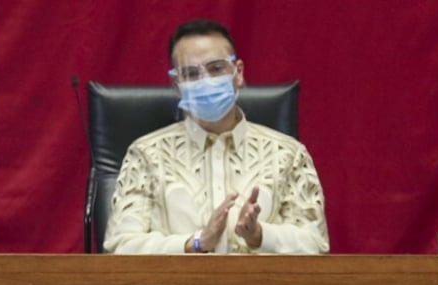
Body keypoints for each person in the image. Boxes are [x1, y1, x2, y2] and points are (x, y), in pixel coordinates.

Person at [104, 19, 329, 255]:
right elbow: (120, 247)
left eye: (216, 68)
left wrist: (259, 235)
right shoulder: (146, 155)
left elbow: (316, 244)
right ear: (177, 85)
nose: (205, 81)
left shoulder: (288, 154)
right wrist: (196, 242)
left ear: (238, 72)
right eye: (191, 73)